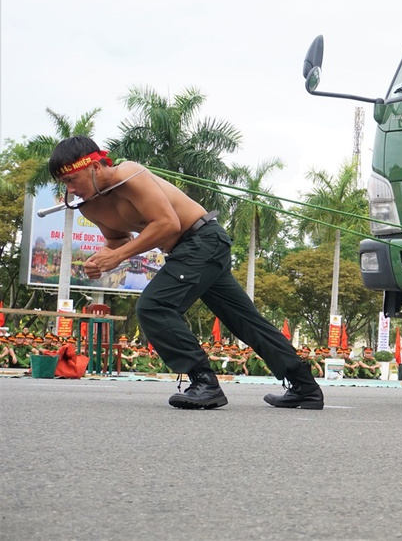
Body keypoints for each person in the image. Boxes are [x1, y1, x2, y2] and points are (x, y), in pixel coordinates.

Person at [48, 136, 322, 410]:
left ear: (95, 167)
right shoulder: (88, 204)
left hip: (203, 240)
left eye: (73, 179)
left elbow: (168, 223)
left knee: (154, 306)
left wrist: (118, 256)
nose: (71, 189)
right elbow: (118, 240)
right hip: (189, 253)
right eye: (65, 184)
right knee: (245, 321)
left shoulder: (128, 174)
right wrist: (100, 260)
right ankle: (305, 387)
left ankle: (204, 383)